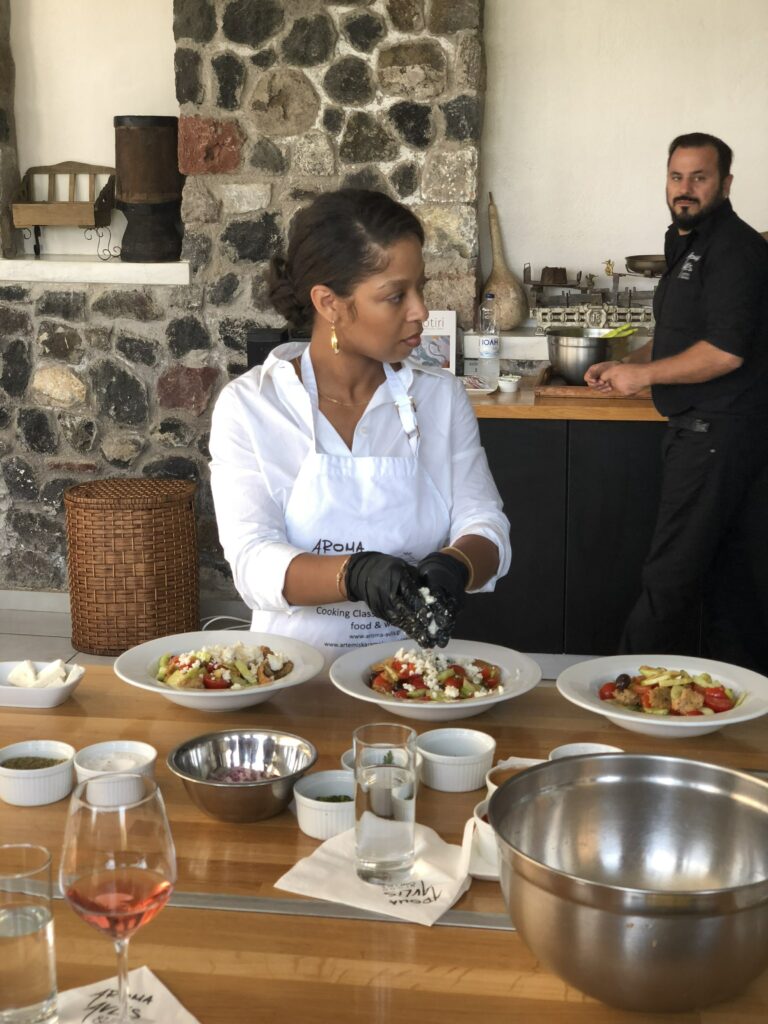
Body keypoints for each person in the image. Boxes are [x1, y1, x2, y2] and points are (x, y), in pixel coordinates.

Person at [209, 188, 511, 666]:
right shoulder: (251, 407)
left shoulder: (438, 398)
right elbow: (251, 562)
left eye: (420, 288)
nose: (420, 311)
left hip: (415, 680)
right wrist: (354, 575)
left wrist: (458, 564)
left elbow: (485, 525)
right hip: (290, 678)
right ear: (330, 303)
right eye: (395, 296)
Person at [585, 132, 768, 671]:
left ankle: (625, 701)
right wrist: (625, 361)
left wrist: (640, 377)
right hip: (711, 433)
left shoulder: (735, 249)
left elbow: (726, 352)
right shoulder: (688, 243)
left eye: (699, 177)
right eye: (676, 176)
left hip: (718, 431)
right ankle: (739, 708)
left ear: (726, 183)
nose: (685, 188)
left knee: (669, 576)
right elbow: (682, 335)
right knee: (728, 579)